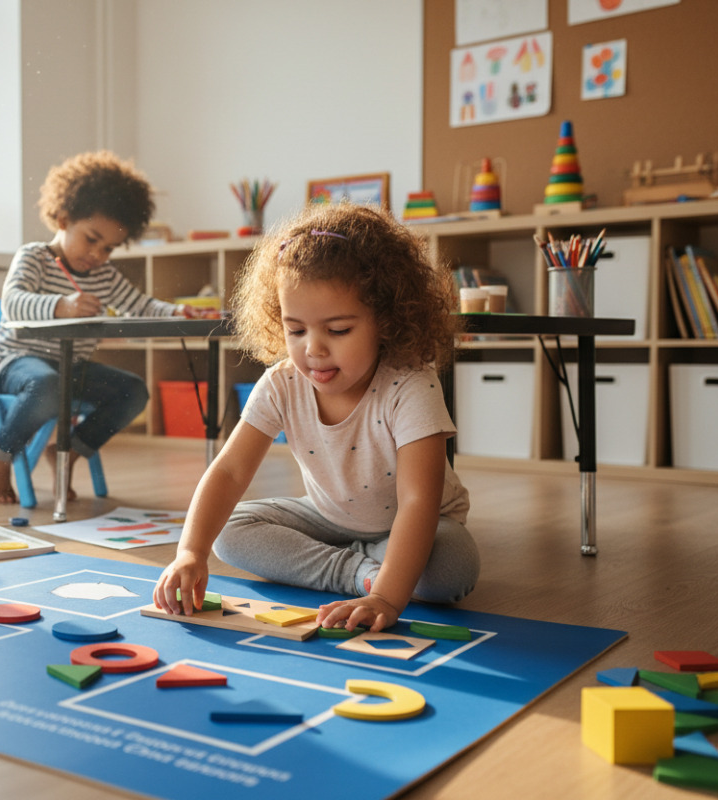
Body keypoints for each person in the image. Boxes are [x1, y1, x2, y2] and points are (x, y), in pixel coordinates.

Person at [153, 202, 479, 633]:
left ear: (385, 319)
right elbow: (230, 471)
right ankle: (356, 573)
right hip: (327, 517)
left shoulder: (410, 384)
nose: (314, 349)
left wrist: (386, 598)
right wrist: (190, 552)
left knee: (449, 571)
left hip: (421, 522)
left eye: (338, 330)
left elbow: (419, 500)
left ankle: (379, 575)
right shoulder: (282, 383)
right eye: (296, 330)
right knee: (229, 530)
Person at [0, 150, 206, 504]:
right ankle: (1, 456)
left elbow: (141, 306)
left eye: (109, 248)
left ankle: (67, 452)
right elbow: (12, 301)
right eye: (91, 239)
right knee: (46, 384)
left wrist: (180, 311)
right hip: (16, 360)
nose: (98, 255)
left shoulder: (104, 276)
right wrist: (62, 306)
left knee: (133, 392)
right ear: (63, 218)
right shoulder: (34, 257)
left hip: (69, 367)